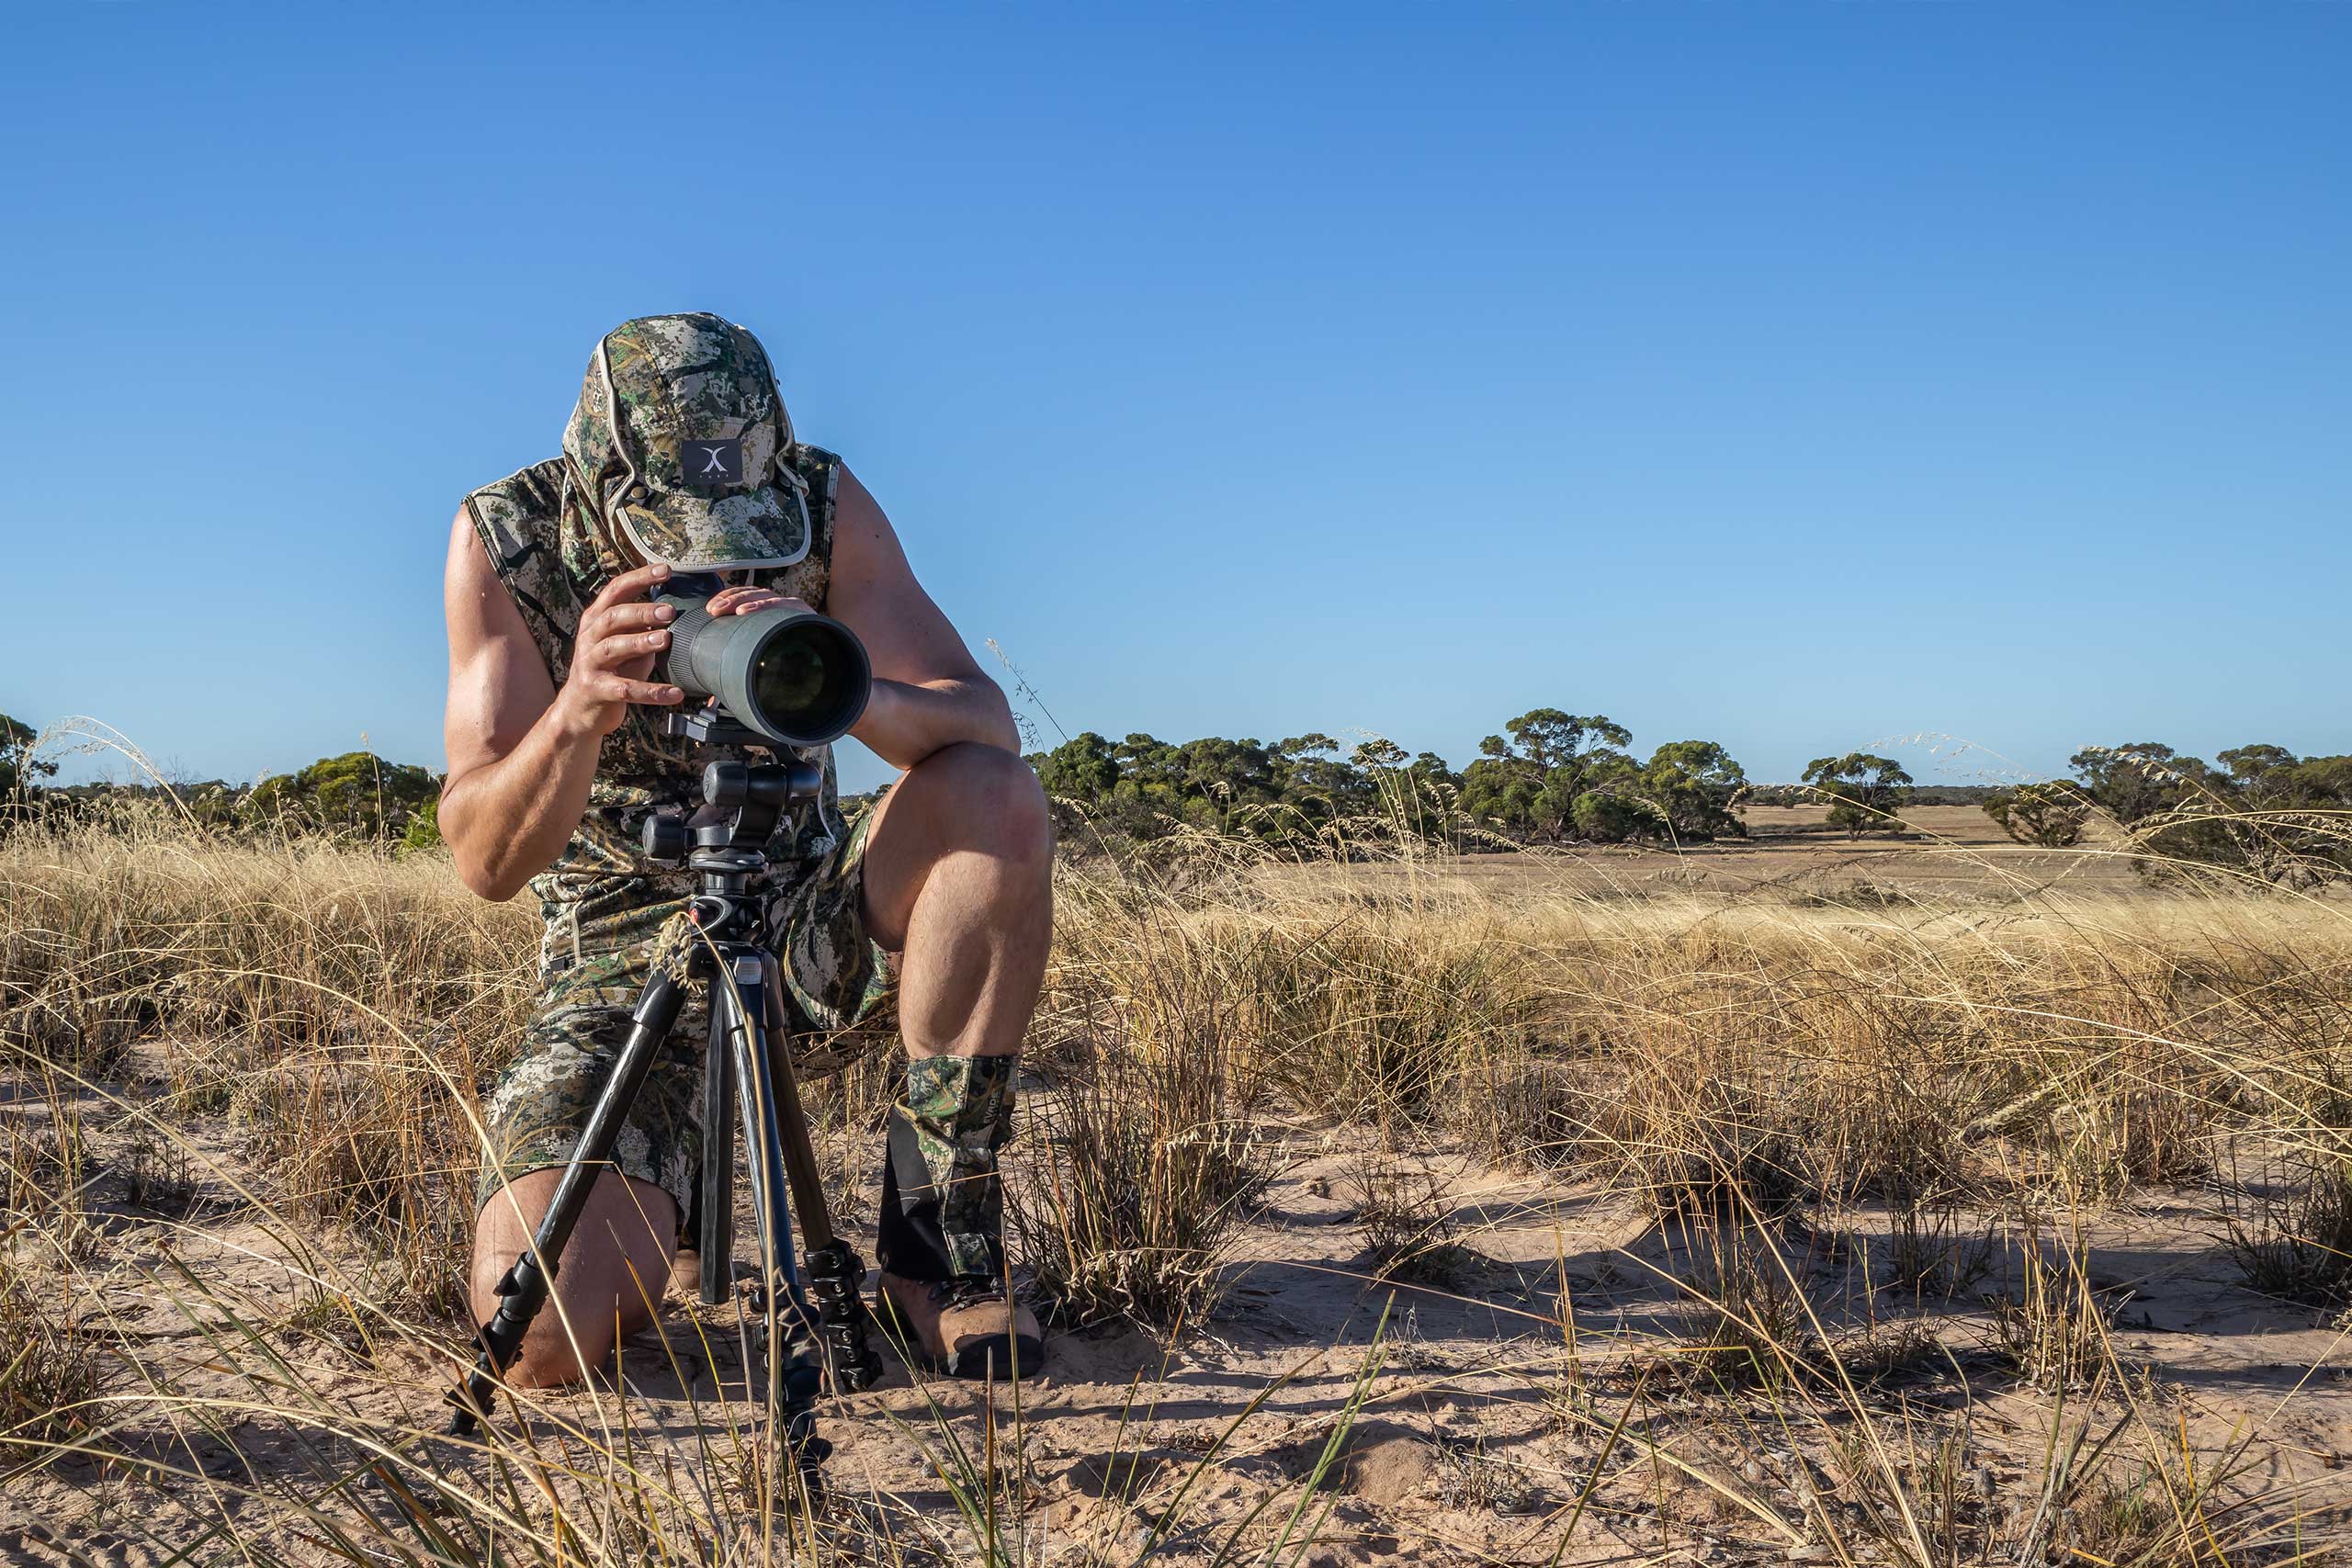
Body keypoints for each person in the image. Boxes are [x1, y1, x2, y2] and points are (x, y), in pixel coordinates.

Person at [439, 312, 1049, 1388]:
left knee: (992, 796)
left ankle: (936, 1252)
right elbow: (485, 861)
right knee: (534, 1335)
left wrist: (840, 678)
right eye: (671, 526)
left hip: (802, 905)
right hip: (619, 959)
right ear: (596, 470)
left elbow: (981, 721)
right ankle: (659, 1191)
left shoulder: (820, 497)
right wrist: (580, 707)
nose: (709, 552)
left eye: (735, 520)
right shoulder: (511, 532)